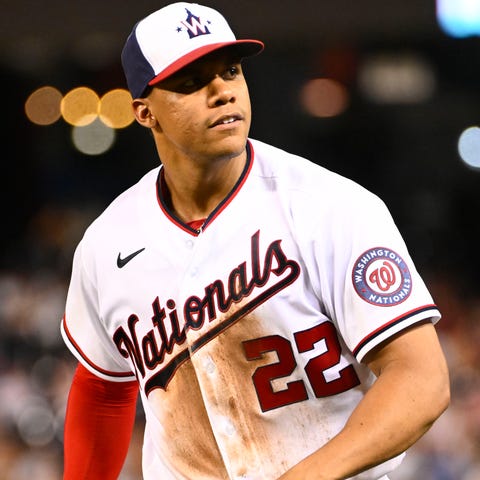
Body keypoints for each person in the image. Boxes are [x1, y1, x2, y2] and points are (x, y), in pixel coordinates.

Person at [60, 2, 450, 479]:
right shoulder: (106, 243)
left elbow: (421, 380)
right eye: (192, 81)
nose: (222, 92)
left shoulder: (329, 206)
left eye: (230, 71)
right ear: (145, 112)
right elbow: (102, 389)